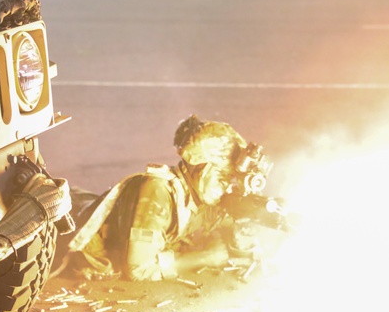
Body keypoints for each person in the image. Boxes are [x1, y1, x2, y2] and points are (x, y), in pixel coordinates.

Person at [61, 116, 266, 281]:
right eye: (222, 176)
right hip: (71, 227)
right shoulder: (157, 192)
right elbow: (139, 270)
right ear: (198, 167)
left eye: (232, 181)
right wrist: (204, 257)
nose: (228, 186)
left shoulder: (200, 196)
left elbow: (228, 229)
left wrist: (243, 233)